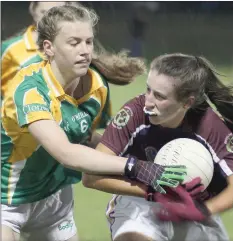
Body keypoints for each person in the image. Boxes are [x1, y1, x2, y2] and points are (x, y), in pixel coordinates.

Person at [1, 5, 187, 241]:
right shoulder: (30, 89)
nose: (85, 50)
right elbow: (66, 152)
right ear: (48, 48)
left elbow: (84, 135)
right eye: (74, 42)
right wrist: (135, 167)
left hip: (54, 202)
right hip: (7, 200)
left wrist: (145, 156)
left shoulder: (96, 86)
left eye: (88, 42)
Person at [82, 53, 233, 241]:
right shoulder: (134, 113)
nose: (148, 102)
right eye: (148, 90)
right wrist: (151, 190)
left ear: (188, 102)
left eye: (160, 96)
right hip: (141, 199)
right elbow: (90, 177)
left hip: (193, 204)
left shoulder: (210, 125)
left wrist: (204, 211)